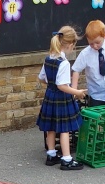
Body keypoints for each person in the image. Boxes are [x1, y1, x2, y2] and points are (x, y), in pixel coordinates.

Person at [37, 26, 88, 171]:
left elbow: (41, 78)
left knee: (51, 127)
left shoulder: (48, 58)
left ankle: (51, 155)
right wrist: (77, 92)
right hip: (61, 98)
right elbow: (62, 86)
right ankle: (66, 159)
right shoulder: (64, 63)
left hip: (50, 95)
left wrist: (51, 85)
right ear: (70, 44)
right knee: (64, 128)